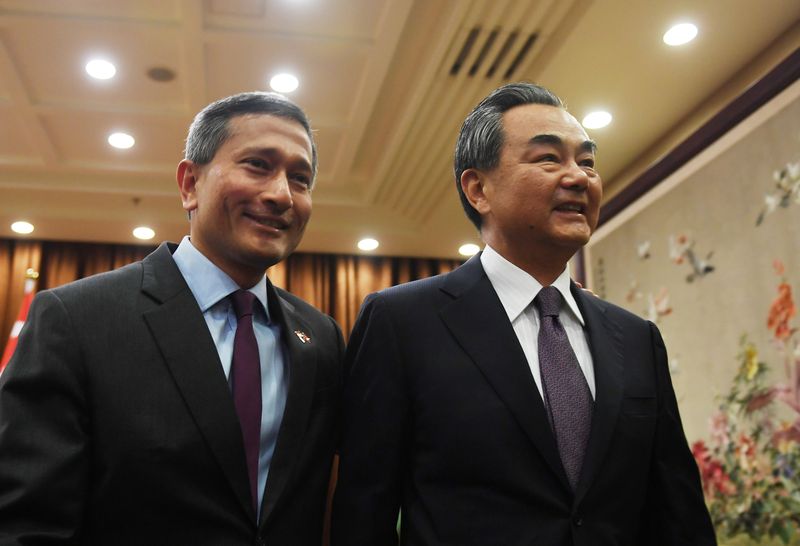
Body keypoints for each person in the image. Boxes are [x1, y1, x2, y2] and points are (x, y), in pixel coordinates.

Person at [331, 83, 716, 545]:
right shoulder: (402, 321)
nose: (579, 178)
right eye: (549, 159)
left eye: (587, 162)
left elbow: (678, 513)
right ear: (478, 189)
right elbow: (364, 511)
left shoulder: (635, 338)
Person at [0, 92, 344, 545]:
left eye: (299, 179)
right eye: (258, 165)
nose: (281, 194)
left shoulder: (320, 336)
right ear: (190, 183)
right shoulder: (76, 319)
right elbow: (28, 525)